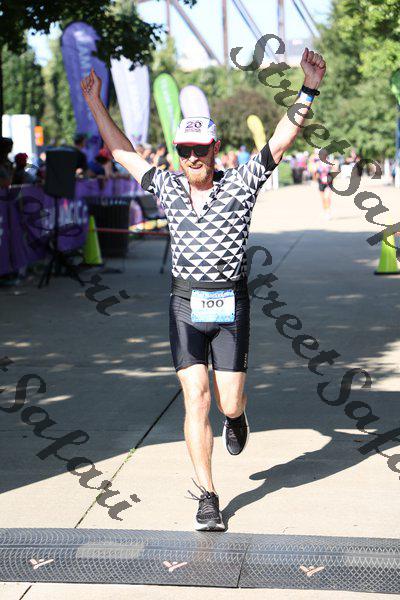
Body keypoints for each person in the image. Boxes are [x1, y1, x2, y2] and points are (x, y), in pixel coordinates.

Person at [81, 46, 326, 532]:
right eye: (184, 151)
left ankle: (237, 418)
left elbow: (280, 141)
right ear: (178, 154)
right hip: (185, 305)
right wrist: (94, 104)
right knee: (196, 397)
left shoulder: (241, 183)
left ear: (215, 149)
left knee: (228, 402)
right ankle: (208, 496)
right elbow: (124, 152)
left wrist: (309, 89)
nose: (192, 158)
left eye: (200, 150)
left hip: (231, 305)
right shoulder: (168, 188)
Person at [316, 149, 333, 219]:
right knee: (323, 198)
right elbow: (316, 174)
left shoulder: (329, 162)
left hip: (329, 182)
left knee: (328, 197)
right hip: (321, 182)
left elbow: (334, 171)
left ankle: (328, 211)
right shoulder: (318, 163)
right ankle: (325, 211)